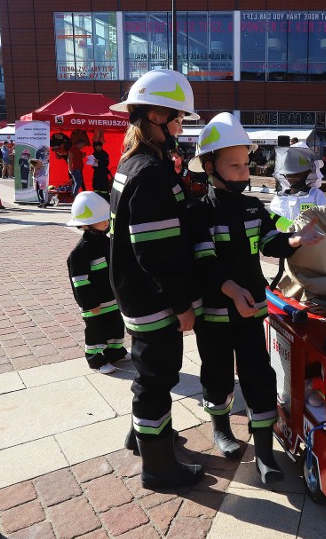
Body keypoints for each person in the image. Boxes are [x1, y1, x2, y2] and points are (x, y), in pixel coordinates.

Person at [186, 113, 323, 481]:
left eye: (246, 163)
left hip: (250, 313)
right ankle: (221, 429)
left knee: (259, 376)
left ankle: (264, 452)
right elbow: (204, 260)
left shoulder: (253, 207)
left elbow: (268, 241)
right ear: (210, 166)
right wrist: (231, 290)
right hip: (214, 314)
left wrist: (294, 240)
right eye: (234, 164)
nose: (244, 171)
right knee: (215, 374)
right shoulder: (199, 212)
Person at [108, 69, 205, 490]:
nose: (182, 126)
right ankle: (159, 467)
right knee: (156, 380)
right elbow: (157, 252)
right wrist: (181, 303)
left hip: (136, 292)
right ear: (155, 116)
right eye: (179, 118)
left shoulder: (137, 163)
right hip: (153, 297)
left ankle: (144, 437)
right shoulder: (150, 172)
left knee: (151, 373)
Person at [66, 192, 127, 374]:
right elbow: (79, 282)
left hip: (112, 299)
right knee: (96, 332)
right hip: (95, 304)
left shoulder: (108, 243)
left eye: (106, 219)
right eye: (100, 220)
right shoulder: (79, 253)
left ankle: (116, 352)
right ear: (85, 224)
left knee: (116, 326)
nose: (106, 223)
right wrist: (90, 303)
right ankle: (96, 359)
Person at [269, 144, 326, 230]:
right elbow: (272, 226)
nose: (291, 178)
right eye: (288, 174)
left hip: (310, 242)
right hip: (286, 242)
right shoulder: (279, 199)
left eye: (296, 174)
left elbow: (325, 222)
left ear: (307, 173)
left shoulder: (316, 196)